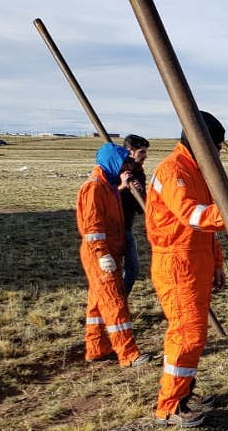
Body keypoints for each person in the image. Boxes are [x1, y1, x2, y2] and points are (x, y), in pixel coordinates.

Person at [146, 111, 228, 428]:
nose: (219, 153)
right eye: (216, 147)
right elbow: (192, 216)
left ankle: (184, 393)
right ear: (199, 143)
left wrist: (217, 264)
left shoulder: (196, 170)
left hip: (196, 263)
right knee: (187, 335)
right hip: (177, 266)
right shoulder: (173, 171)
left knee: (191, 334)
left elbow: (204, 228)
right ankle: (169, 406)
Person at [76, 142, 150, 368]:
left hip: (109, 252)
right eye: (122, 163)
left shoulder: (107, 186)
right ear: (113, 162)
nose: (125, 167)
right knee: (114, 301)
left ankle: (97, 348)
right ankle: (128, 354)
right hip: (101, 255)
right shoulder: (95, 187)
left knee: (97, 303)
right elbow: (92, 226)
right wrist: (102, 253)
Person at [120, 134, 149, 297]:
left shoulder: (139, 173)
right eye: (142, 152)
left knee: (133, 269)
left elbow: (140, 208)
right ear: (130, 151)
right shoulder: (115, 170)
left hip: (127, 228)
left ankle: (120, 301)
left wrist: (139, 193)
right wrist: (122, 187)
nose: (145, 156)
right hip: (112, 229)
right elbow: (104, 197)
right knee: (112, 271)